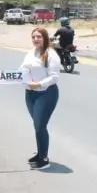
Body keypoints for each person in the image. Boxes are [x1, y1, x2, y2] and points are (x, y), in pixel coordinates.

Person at [19, 27, 61, 170]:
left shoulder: (51, 54)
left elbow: (54, 77)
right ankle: (40, 153)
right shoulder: (31, 53)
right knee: (37, 126)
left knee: (40, 126)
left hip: (46, 93)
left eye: (39, 37)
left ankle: (44, 159)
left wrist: (39, 84)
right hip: (30, 94)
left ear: (45, 38)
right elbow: (22, 69)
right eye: (33, 37)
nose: (36, 39)